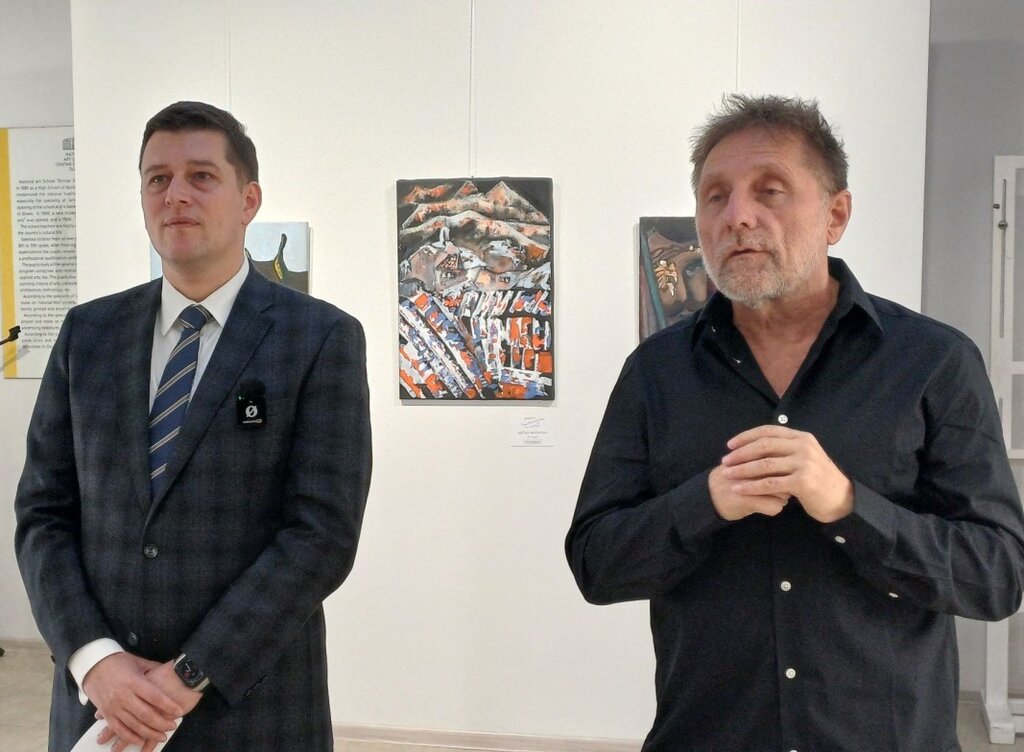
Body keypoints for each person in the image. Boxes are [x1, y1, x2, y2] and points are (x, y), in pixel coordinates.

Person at [566, 94, 1024, 750]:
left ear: (836, 215)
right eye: (715, 196)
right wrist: (705, 503)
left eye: (770, 190)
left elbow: (997, 576)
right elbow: (596, 563)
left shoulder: (935, 361)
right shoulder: (654, 373)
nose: (737, 215)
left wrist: (848, 507)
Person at [15, 101, 372, 752]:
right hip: (102, 712)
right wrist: (95, 660)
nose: (176, 194)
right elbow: (43, 515)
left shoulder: (320, 339)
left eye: (201, 176)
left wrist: (187, 676)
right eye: (158, 178)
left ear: (249, 199)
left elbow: (320, 536)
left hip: (251, 711)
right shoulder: (87, 335)